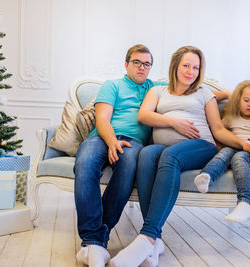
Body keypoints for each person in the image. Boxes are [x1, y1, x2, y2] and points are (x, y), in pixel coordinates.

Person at [108, 46, 250, 267]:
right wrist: (174, 122)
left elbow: (218, 130)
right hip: (162, 147)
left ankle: (146, 236)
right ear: (175, 66)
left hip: (201, 145)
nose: (191, 71)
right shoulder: (158, 91)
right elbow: (144, 115)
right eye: (186, 65)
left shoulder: (204, 94)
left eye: (196, 67)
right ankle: (155, 242)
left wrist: (244, 144)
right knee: (146, 154)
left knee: (170, 156)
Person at [74, 44, 167, 267]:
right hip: (103, 136)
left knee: (126, 169)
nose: (142, 67)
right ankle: (93, 239)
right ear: (126, 64)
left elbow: (195, 89)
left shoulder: (156, 88)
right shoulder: (112, 85)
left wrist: (231, 95)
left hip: (134, 143)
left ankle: (95, 242)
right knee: (85, 163)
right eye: (137, 62)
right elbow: (102, 119)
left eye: (147, 64)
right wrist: (112, 141)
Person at [194, 80, 250, 223]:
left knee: (239, 157)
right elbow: (218, 132)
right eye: (246, 100)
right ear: (238, 99)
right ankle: (206, 176)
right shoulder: (231, 116)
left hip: (249, 152)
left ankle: (245, 202)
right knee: (225, 152)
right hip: (232, 147)